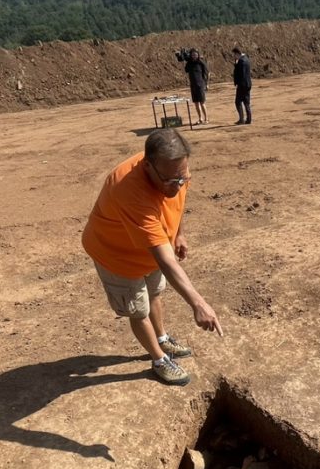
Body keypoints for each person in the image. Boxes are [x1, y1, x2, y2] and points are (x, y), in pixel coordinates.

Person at [82, 128, 223, 386]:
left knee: (155, 292)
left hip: (148, 249)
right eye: (170, 181)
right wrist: (199, 304)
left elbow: (178, 201)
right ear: (148, 166)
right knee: (138, 309)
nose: (177, 186)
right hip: (116, 255)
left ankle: (162, 338)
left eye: (182, 178)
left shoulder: (175, 170)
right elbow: (165, 261)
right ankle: (159, 360)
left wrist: (179, 233)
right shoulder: (129, 191)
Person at [185, 49, 210, 125]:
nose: (194, 56)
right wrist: (187, 60)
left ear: (198, 55)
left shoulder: (201, 62)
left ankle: (206, 118)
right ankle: (200, 118)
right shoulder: (189, 63)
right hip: (193, 85)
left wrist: (206, 84)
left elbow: (207, 73)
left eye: (195, 55)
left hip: (200, 85)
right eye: (192, 55)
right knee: (196, 103)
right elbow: (186, 70)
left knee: (202, 103)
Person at [232, 47, 252, 125]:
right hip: (248, 84)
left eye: (234, 55)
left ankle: (241, 119)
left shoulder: (241, 61)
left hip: (242, 85)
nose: (234, 56)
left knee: (238, 102)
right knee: (246, 102)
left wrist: (236, 65)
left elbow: (241, 74)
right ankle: (249, 119)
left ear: (237, 54)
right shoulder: (246, 59)